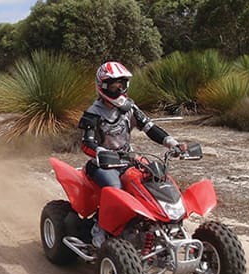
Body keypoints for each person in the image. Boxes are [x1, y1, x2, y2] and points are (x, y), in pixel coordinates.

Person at [77, 61, 186, 247]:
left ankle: (161, 224)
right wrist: (102, 152)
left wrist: (171, 142)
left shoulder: (130, 108)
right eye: (114, 84)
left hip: (128, 160)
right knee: (115, 188)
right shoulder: (93, 113)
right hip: (102, 164)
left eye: (122, 83)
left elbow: (150, 128)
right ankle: (99, 229)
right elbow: (86, 144)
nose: (119, 88)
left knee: (156, 178)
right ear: (103, 85)